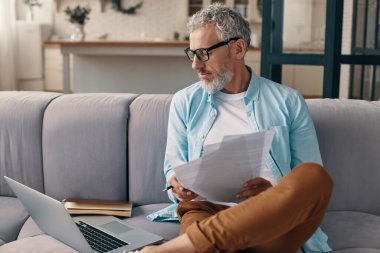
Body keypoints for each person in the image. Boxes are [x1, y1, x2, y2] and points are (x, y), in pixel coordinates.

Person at [141, 3, 334, 253]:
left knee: (315, 177)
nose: (195, 65)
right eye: (192, 54)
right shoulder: (184, 102)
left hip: (267, 212)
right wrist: (175, 184)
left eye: (204, 53)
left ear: (238, 48)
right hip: (205, 209)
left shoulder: (288, 101)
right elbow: (172, 167)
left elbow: (307, 172)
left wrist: (275, 190)